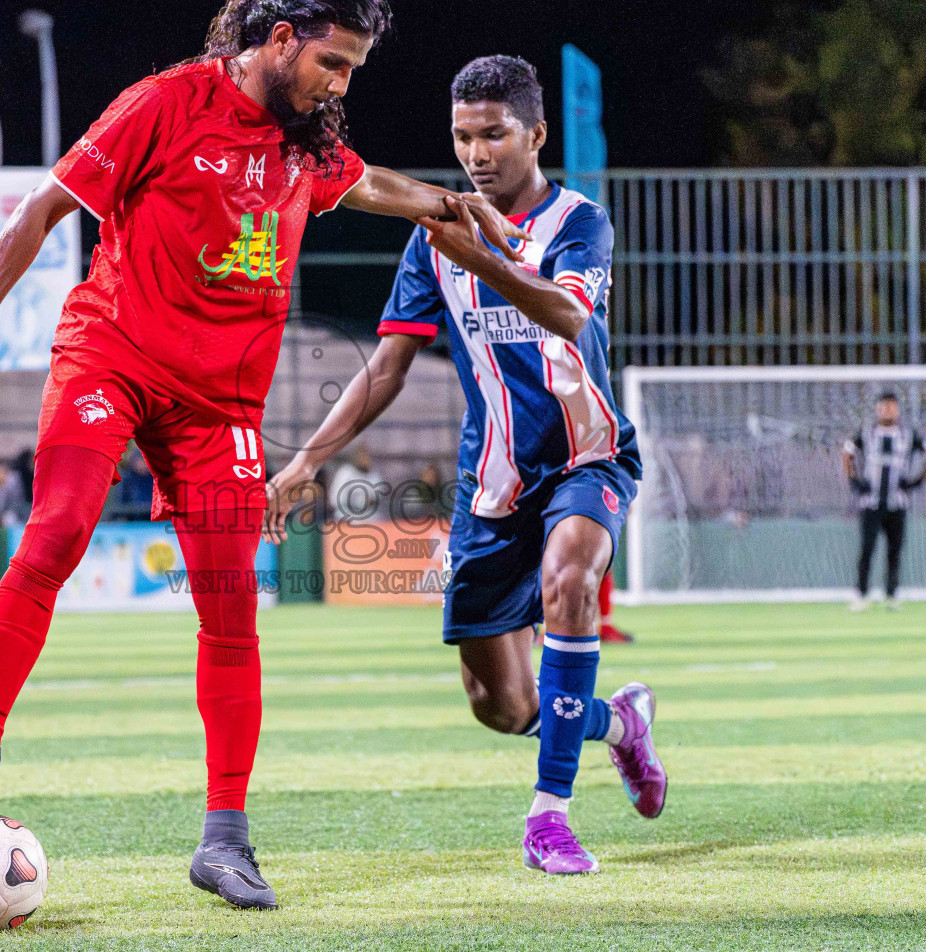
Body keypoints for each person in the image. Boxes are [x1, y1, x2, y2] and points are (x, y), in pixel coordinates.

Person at [0, 0, 530, 910]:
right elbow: (42, 208)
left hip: (219, 410)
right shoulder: (165, 102)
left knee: (233, 608)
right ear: (281, 40)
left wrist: (451, 205)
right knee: (61, 528)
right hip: (110, 355)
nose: (340, 85)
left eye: (354, 69)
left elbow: (375, 187)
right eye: (334, 62)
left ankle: (224, 841)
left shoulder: (308, 147)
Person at [267, 56, 664, 875]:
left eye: (493, 135)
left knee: (572, 578)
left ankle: (548, 819)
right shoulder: (431, 240)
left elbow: (562, 309)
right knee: (504, 707)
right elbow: (387, 366)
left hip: (588, 457)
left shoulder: (582, 222)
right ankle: (619, 724)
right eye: (462, 137)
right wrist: (309, 458)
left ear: (536, 135)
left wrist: (479, 254)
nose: (476, 153)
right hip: (493, 487)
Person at [843, 391, 926, 611]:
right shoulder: (866, 433)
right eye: (884, 406)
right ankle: (861, 593)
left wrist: (917, 481)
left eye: (892, 406)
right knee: (867, 548)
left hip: (898, 503)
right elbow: (846, 453)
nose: (888, 410)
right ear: (877, 409)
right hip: (871, 502)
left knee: (895, 549)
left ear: (897, 409)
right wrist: (854, 481)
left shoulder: (909, 434)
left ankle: (892, 594)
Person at [327, 444, 383, 521]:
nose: (366, 459)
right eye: (362, 456)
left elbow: (378, 497)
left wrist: (370, 501)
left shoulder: (374, 473)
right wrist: (358, 502)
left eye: (367, 456)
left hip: (370, 517)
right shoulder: (346, 472)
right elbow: (335, 500)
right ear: (356, 457)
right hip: (347, 516)